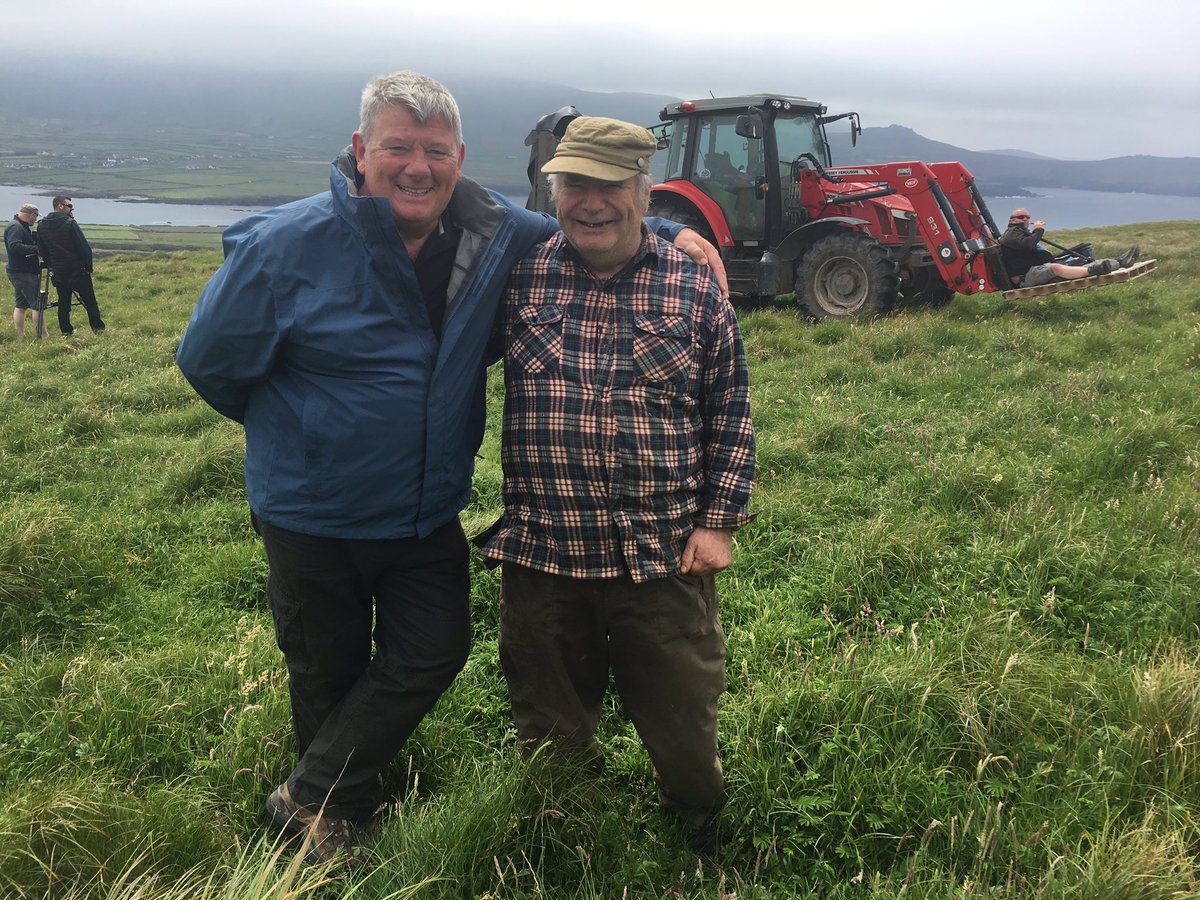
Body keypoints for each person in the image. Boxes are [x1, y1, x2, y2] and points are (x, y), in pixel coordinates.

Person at [175, 71, 725, 865]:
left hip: (425, 510)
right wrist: (306, 437)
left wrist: (675, 235)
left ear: (459, 158)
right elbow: (209, 363)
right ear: (363, 151)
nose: (416, 166)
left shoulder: (497, 232)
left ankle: (309, 793)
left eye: (434, 150)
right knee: (325, 668)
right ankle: (330, 817)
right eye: (398, 146)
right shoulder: (283, 245)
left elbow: (590, 223)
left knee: (432, 650)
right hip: (310, 514)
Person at [479, 117, 756, 857]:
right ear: (553, 190)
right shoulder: (519, 274)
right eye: (574, 184)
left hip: (662, 556)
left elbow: (729, 404)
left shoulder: (693, 282)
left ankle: (698, 823)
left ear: (642, 190)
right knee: (547, 714)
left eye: (608, 185)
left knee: (683, 712)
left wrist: (719, 520)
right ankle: (565, 829)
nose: (589, 202)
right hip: (545, 553)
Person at [1000, 207, 1139, 288]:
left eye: (1027, 217)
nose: (1025, 219)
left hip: (1033, 270)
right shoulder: (1010, 234)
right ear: (1011, 221)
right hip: (1024, 278)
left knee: (1075, 261)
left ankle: (1119, 262)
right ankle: (1095, 269)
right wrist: (1038, 230)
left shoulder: (1019, 233)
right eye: (1021, 217)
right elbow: (1028, 244)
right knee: (1056, 268)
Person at [37, 196, 105, 334]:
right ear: (60, 206)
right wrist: (88, 268)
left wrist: (52, 266)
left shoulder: (42, 225)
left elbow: (42, 250)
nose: (72, 208)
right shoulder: (70, 223)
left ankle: (66, 331)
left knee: (64, 303)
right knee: (90, 301)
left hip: (58, 271)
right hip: (77, 270)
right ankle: (98, 329)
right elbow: (83, 248)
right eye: (69, 206)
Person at [4, 203, 47, 338]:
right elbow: (14, 246)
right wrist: (37, 249)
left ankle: (21, 336)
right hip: (23, 272)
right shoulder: (16, 227)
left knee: (21, 305)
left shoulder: (20, 226)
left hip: (18, 271)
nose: (35, 220)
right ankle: (44, 336)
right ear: (31, 215)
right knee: (37, 305)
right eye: (35, 217)